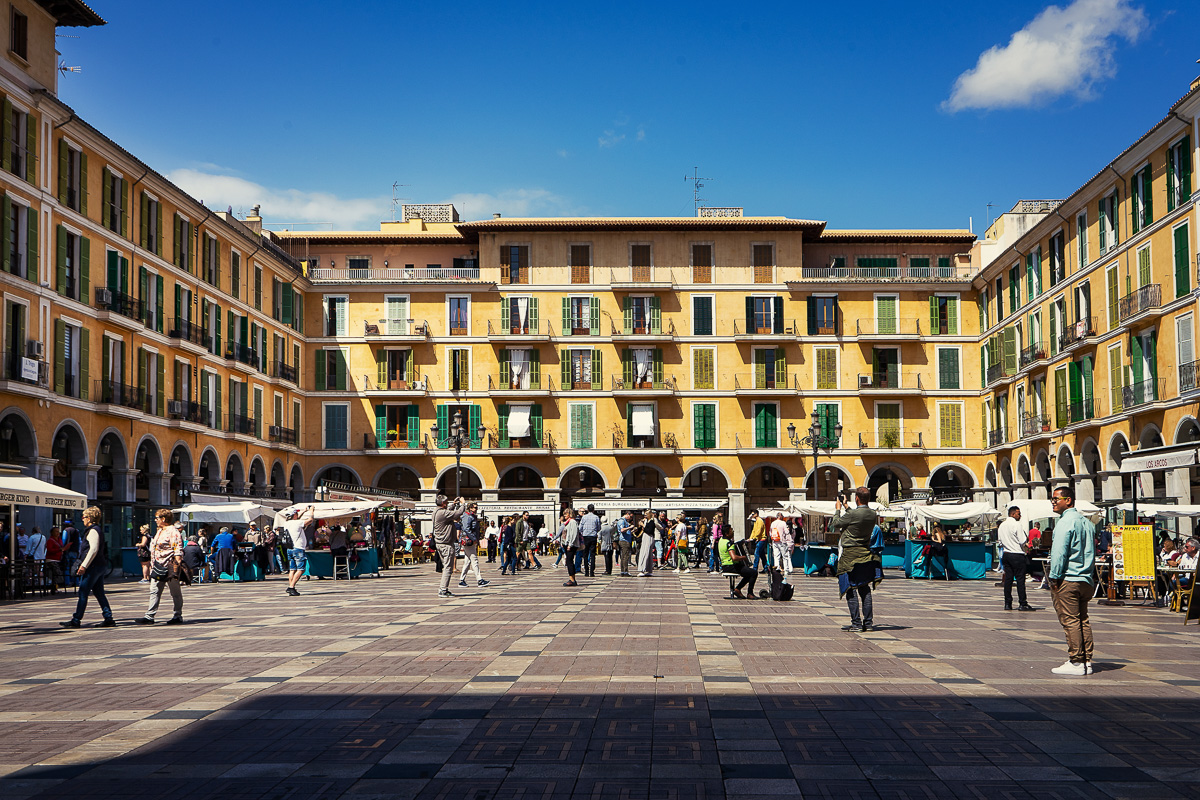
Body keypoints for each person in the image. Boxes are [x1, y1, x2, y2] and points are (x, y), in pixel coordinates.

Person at [1047, 486, 1096, 675]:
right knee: (1083, 619)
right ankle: (1087, 660)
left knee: (1070, 620)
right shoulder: (1086, 523)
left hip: (1069, 578)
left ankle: (1076, 661)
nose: (1053, 502)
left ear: (1068, 500)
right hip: (1085, 578)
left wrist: (1054, 576)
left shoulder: (1065, 522)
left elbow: (1059, 552)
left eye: (1056, 498)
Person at [832, 487, 883, 632]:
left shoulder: (854, 515)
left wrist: (838, 509)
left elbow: (836, 523)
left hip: (850, 555)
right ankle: (868, 623)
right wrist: (847, 506)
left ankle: (856, 623)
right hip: (865, 554)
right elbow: (856, 517)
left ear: (857, 498)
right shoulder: (872, 514)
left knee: (850, 588)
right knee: (864, 589)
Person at [60, 507, 116, 628]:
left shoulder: (93, 531)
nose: (83, 519)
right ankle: (108, 617)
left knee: (83, 592)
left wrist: (84, 565)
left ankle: (76, 619)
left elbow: (93, 549)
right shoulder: (95, 530)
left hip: (93, 566)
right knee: (99, 592)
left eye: (84, 517)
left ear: (89, 518)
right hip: (99, 565)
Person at [138, 509, 185, 625]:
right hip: (157, 566)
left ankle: (177, 615)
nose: (155, 520)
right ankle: (149, 616)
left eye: (157, 518)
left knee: (175, 592)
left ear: (163, 519)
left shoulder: (173, 532)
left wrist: (177, 565)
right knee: (154, 591)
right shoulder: (159, 531)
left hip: (169, 566)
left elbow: (177, 549)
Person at [998, 504, 1036, 611]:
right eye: (1019, 514)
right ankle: (1022, 603)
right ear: (1013, 514)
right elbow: (1022, 540)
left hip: (1006, 554)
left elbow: (1000, 542)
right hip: (1017, 554)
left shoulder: (1002, 525)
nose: (1020, 516)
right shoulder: (1016, 525)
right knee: (1020, 579)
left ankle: (1007, 603)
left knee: (1008, 579)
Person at [432, 495, 465, 598]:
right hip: (446, 544)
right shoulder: (442, 513)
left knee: (446, 566)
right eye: (446, 502)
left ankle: (443, 588)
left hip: (440, 544)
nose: (447, 504)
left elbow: (448, 512)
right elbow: (457, 514)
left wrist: (453, 504)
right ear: (443, 503)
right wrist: (463, 504)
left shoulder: (436, 511)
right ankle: (443, 589)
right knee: (448, 568)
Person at [283, 505, 315, 596]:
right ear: (294, 515)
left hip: (290, 549)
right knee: (301, 569)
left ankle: (291, 587)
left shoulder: (287, 523)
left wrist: (303, 511)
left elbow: (296, 519)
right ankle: (291, 587)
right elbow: (310, 521)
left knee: (292, 569)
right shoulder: (297, 523)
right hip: (298, 548)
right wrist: (311, 511)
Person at [718, 525, 756, 598]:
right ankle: (749, 593)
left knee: (748, 573)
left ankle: (737, 589)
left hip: (724, 566)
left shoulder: (721, 541)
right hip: (732, 566)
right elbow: (734, 557)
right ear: (727, 534)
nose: (733, 532)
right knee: (753, 573)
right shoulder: (729, 543)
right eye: (731, 530)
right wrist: (743, 557)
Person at [457, 502, 489, 588]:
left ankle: (462, 580)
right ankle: (479, 580)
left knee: (467, 561)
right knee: (474, 560)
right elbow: (466, 529)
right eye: (475, 507)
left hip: (471, 540)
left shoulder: (472, 516)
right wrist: (474, 539)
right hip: (468, 541)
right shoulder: (467, 516)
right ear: (470, 508)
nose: (476, 509)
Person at [770, 514, 794, 583]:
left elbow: (770, 532)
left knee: (776, 556)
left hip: (774, 541)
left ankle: (777, 569)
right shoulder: (783, 523)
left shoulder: (772, 523)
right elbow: (786, 532)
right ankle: (786, 570)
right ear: (780, 517)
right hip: (782, 541)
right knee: (785, 556)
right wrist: (788, 529)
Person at [561, 509, 582, 587]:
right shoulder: (568, 522)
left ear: (570, 514)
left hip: (571, 545)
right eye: (564, 514)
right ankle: (572, 579)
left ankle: (572, 580)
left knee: (569, 561)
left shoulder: (572, 522)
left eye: (566, 514)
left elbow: (573, 534)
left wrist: (570, 544)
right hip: (568, 544)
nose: (564, 516)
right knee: (569, 561)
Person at [579, 504, 601, 578]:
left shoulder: (584, 517)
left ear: (587, 510)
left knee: (585, 554)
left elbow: (580, 527)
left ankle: (586, 571)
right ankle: (592, 572)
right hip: (593, 536)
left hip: (585, 536)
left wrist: (583, 533)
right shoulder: (596, 517)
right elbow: (599, 527)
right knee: (592, 554)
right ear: (593, 510)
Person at [636, 509, 656, 577]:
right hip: (645, 538)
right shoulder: (646, 521)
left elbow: (649, 531)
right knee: (647, 554)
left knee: (645, 553)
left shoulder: (651, 522)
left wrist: (643, 526)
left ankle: (642, 570)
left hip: (649, 537)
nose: (644, 516)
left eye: (646, 514)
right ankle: (649, 569)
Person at [616, 510, 634, 576]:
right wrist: (630, 527)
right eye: (630, 516)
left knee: (624, 556)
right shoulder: (622, 521)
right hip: (624, 541)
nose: (631, 518)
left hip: (626, 540)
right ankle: (624, 571)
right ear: (627, 514)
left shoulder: (625, 521)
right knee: (625, 556)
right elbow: (622, 530)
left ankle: (624, 571)